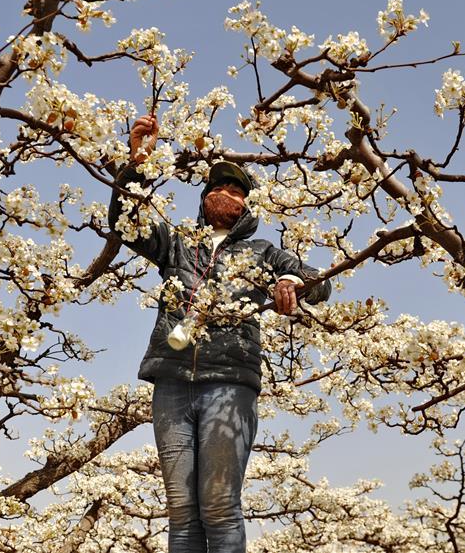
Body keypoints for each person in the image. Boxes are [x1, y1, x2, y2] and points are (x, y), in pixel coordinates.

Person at [107, 114, 332, 553]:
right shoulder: (177, 244)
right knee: (180, 511)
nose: (224, 194)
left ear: (246, 206)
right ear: (204, 199)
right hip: (171, 382)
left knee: (219, 504)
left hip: (229, 382)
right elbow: (125, 221)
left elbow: (318, 282)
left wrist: (293, 282)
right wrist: (137, 164)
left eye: (234, 191)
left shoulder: (262, 251)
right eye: (216, 188)